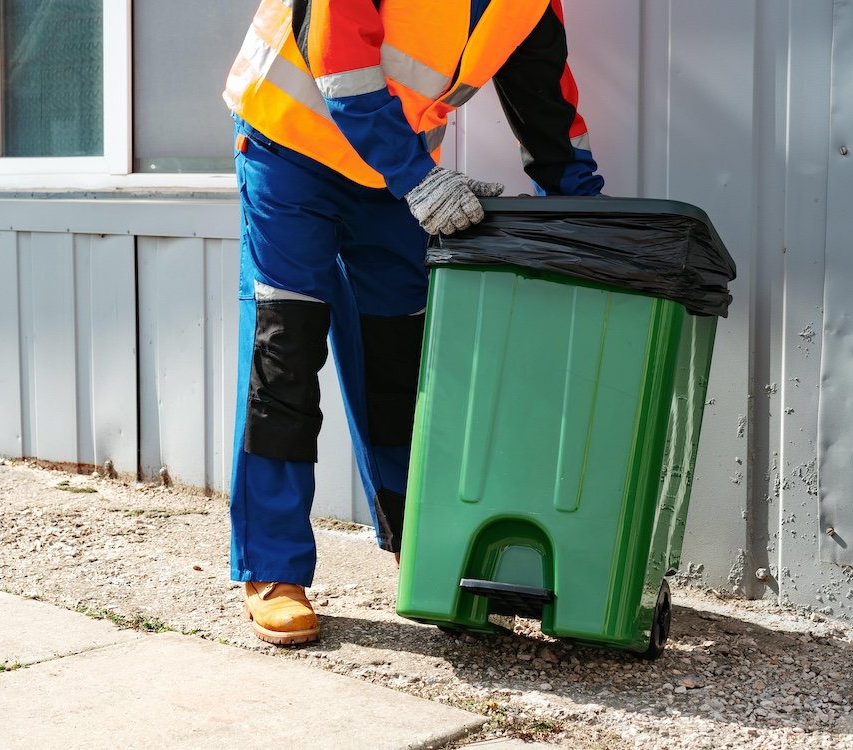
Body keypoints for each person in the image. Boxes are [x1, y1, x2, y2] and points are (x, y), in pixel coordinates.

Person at [223, 0, 604, 646]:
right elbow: (339, 58)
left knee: (402, 357)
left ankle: (421, 553)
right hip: (291, 146)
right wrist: (418, 178)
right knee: (284, 350)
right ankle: (272, 569)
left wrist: (589, 222)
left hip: (390, 174)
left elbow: (547, 109)